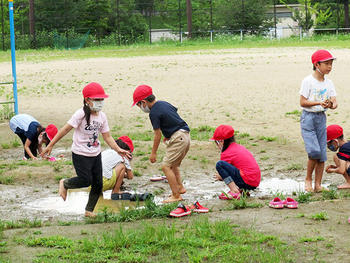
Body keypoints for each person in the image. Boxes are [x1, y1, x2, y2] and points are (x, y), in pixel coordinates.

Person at [41, 82, 131, 217]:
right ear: (87, 100)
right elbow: (65, 129)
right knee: (86, 180)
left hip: (95, 154)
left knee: (98, 184)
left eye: (102, 99)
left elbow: (107, 137)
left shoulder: (102, 116)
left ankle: (89, 210)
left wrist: (118, 149)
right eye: (97, 99)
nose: (100, 102)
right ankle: (64, 183)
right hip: (80, 154)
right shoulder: (80, 114)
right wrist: (51, 144)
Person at [132, 84, 190, 203]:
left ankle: (176, 195)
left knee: (166, 166)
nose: (140, 108)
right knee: (173, 165)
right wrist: (169, 135)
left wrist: (153, 153)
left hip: (177, 138)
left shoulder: (153, 113)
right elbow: (172, 115)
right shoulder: (164, 103)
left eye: (138, 105)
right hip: (185, 135)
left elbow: (157, 134)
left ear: (143, 102)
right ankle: (179, 187)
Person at [300, 49, 338, 192]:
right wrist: (318, 103)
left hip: (321, 118)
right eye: (326, 64)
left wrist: (330, 105)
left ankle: (318, 184)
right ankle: (308, 179)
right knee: (314, 151)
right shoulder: (307, 81)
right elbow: (302, 102)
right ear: (317, 64)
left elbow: (335, 102)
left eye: (331, 64)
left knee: (322, 153)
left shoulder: (329, 83)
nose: (329, 67)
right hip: (308, 118)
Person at [211, 125, 261, 199]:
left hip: (247, 180)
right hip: (255, 181)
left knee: (220, 164)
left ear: (221, 141)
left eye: (216, 143)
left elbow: (225, 174)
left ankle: (234, 191)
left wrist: (220, 177)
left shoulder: (226, 153)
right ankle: (243, 190)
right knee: (238, 170)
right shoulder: (239, 147)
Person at [325, 125, 350, 189]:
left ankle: (349, 183)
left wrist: (332, 170)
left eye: (329, 143)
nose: (328, 146)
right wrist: (335, 167)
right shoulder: (348, 144)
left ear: (335, 141)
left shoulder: (343, 149)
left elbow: (342, 170)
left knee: (336, 157)